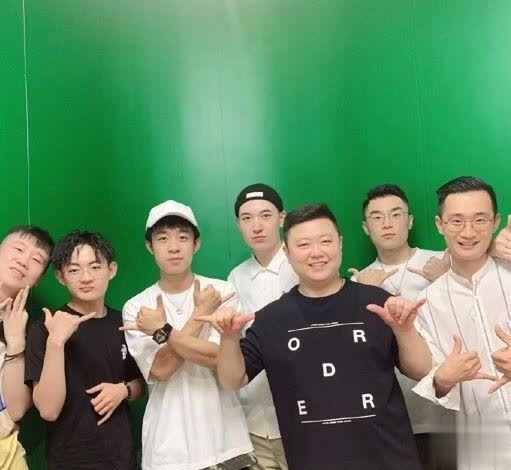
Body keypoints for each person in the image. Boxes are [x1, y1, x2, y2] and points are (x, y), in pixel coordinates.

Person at [199, 203, 431, 470]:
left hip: (390, 459)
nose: (317, 252)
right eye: (304, 245)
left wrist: (404, 330)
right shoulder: (271, 318)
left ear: (340, 244)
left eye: (325, 241)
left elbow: (421, 369)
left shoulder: (377, 302)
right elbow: (232, 380)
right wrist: (229, 338)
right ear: (287, 252)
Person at [121, 200, 254, 470]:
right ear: (149, 246)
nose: (174, 247)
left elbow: (223, 359)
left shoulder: (221, 292)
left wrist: (163, 331)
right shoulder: (138, 307)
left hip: (226, 441)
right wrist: (201, 313)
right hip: (168, 449)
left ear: (196, 244)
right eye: (163, 238)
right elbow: (160, 369)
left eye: (183, 237)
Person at [348, 184, 455, 468]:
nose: (387, 223)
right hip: (392, 420)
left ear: (410, 221)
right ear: (366, 227)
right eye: (377, 217)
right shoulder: (359, 283)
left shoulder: (443, 263)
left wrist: (446, 280)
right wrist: (363, 296)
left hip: (447, 412)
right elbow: (356, 355)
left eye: (396, 214)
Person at [413, 176, 511, 469]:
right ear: (439, 224)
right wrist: (443, 379)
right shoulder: (426, 303)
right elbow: (437, 384)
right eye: (456, 221)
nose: (468, 232)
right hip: (484, 451)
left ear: (495, 222)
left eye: (480, 220)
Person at [25, 230, 144, 470]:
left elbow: (140, 383)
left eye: (95, 267)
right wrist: (56, 342)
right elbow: (48, 410)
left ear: (111, 270)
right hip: (69, 461)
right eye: (74, 270)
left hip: (123, 458)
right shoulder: (46, 327)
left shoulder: (124, 322)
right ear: (60, 276)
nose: (86, 277)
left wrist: (123, 390)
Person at [228, 184, 298, 470]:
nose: (256, 226)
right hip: (254, 423)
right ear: (238, 224)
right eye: (247, 218)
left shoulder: (302, 264)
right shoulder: (236, 277)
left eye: (265, 215)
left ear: (282, 218)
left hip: (301, 418)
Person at [0, 225, 53, 470]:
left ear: (39, 278)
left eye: (36, 259)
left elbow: (17, 410)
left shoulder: (33, 330)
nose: (23, 261)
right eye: (18, 249)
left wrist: (15, 343)